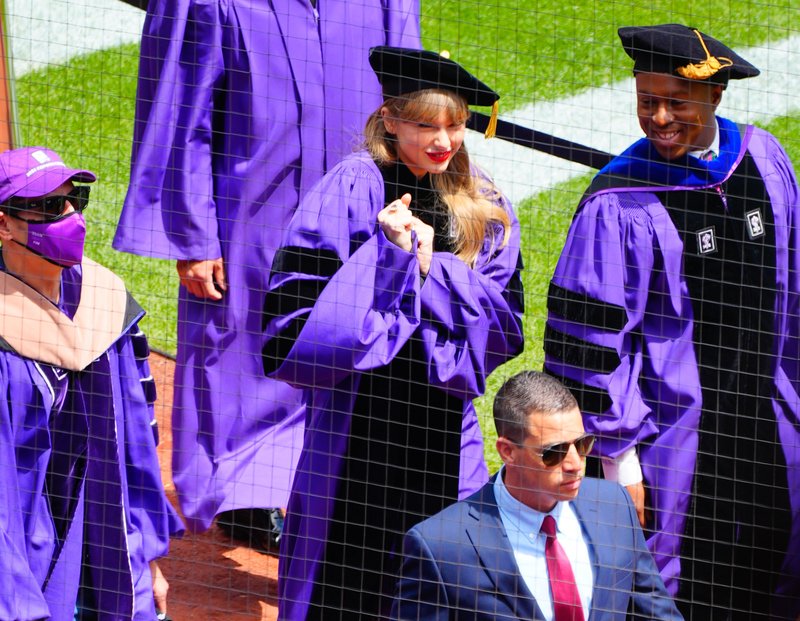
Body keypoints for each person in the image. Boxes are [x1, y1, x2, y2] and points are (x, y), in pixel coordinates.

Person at [112, 0, 422, 550]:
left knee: (348, 331)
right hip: (250, 206)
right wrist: (195, 233)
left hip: (359, 200)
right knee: (238, 340)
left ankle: (329, 486)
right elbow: (185, 114)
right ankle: (244, 496)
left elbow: (411, 94)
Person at [544, 23, 800, 619]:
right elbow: (587, 344)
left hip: (772, 420)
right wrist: (620, 462)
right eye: (645, 101)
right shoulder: (618, 205)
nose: (659, 118)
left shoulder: (763, 158)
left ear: (715, 97)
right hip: (672, 449)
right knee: (675, 589)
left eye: (677, 102)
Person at [262, 46, 525, 619]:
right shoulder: (351, 186)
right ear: (390, 118)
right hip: (357, 420)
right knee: (347, 576)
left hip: (443, 416)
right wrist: (385, 257)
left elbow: (506, 326)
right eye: (426, 125)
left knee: (443, 573)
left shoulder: (481, 203)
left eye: (456, 124)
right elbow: (290, 323)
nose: (443, 140)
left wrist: (432, 268)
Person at [0, 146, 183, 620]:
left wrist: (148, 561)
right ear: (3, 225)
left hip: (106, 534)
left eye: (72, 199)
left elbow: (137, 444)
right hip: (23, 550)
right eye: (43, 207)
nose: (67, 216)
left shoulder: (105, 300)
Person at [391, 370, 682, 620]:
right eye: (553, 452)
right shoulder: (440, 547)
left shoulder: (613, 506)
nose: (575, 464)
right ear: (508, 452)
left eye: (582, 444)